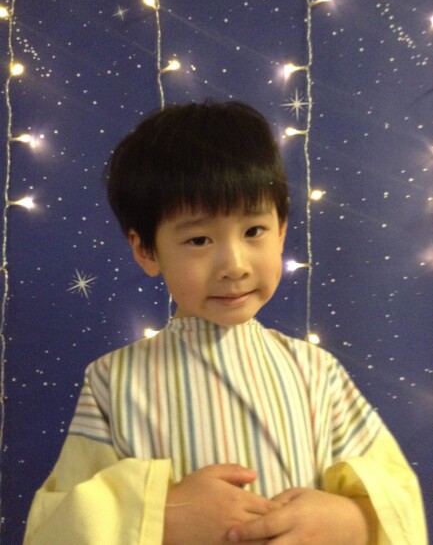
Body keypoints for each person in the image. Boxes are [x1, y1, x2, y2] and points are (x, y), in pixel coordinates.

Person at [24, 101, 427, 544]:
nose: (233, 265)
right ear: (146, 250)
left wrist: (352, 521)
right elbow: (59, 525)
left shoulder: (317, 372)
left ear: (281, 230)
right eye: (199, 239)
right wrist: (162, 519)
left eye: (254, 231)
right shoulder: (112, 381)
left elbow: (395, 490)